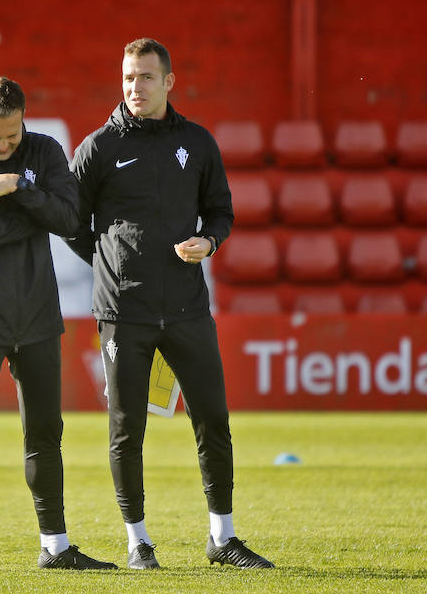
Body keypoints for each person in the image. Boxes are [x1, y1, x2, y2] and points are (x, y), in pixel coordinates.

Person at [66, 38, 274, 570]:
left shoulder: (198, 144)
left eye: (146, 78)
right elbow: (70, 221)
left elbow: (221, 212)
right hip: (123, 313)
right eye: (129, 77)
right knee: (125, 427)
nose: (136, 87)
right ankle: (138, 541)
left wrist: (209, 241)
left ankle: (223, 539)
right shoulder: (97, 147)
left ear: (169, 82)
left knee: (213, 419)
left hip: (186, 309)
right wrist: (107, 261)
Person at [0, 76, 117, 573]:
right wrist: (38, 216)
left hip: (36, 314)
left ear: (23, 122)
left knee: (45, 431)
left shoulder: (44, 151)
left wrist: (20, 185)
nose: (4, 145)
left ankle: (54, 546)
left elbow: (72, 216)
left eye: (12, 136)